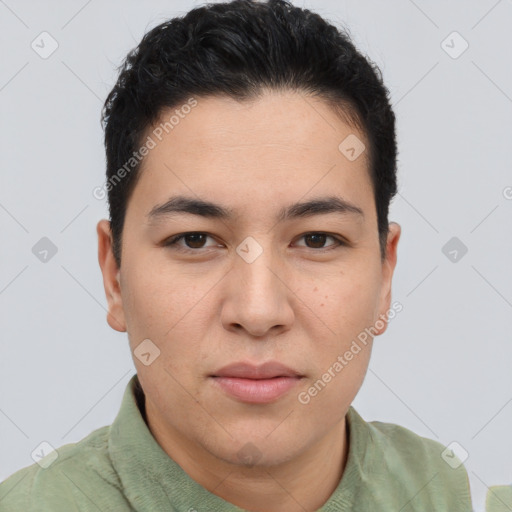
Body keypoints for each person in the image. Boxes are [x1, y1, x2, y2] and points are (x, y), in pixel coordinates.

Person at [0, 0, 473, 510]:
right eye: (195, 240)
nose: (257, 311)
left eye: (316, 239)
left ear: (385, 275)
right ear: (114, 275)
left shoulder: (462, 494)